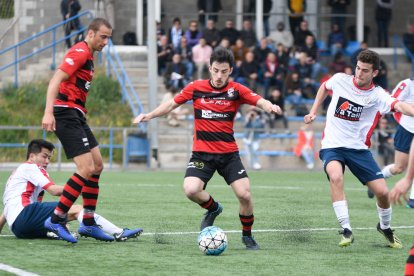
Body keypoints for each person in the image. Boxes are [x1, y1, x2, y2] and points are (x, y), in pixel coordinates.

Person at [133, 47, 282, 250]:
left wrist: (270, 106)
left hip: (229, 154)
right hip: (202, 154)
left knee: (245, 195)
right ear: (210, 68)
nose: (219, 76)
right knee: (191, 189)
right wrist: (148, 115)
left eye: (224, 71)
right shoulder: (196, 87)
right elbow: (171, 105)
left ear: (230, 70)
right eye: (215, 70)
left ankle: (247, 236)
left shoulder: (236, 90)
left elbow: (259, 100)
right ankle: (213, 208)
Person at [304, 49, 414, 248]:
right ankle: (346, 229)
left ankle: (385, 227)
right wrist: (313, 112)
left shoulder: (378, 95)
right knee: (336, 176)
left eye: (365, 70)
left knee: (382, 192)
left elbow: (399, 106)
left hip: (359, 149)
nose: (359, 73)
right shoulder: (339, 80)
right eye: (358, 68)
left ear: (374, 73)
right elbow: (323, 87)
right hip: (332, 145)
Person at [41, 18, 114, 243]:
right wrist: (48, 112)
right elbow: (55, 80)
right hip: (64, 113)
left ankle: (89, 224)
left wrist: (81, 108)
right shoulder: (81, 51)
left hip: (76, 114)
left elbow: (74, 86)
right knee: (86, 168)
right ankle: (56, 218)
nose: (106, 42)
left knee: (97, 166)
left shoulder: (89, 57)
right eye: (103, 36)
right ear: (90, 34)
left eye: (109, 38)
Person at [0, 139, 142, 241]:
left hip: (19, 229)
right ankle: (118, 232)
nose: (47, 161)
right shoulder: (31, 167)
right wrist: (80, 189)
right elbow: (54, 191)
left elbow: (6, 212)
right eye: (44, 156)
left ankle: (58, 232)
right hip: (25, 217)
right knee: (77, 209)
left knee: (62, 219)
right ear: (32, 156)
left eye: (49, 157)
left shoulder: (17, 174)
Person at [379, 77, 414, 206]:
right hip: (406, 130)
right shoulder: (406, 84)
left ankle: (412, 199)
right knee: (399, 168)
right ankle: (378, 178)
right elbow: (393, 103)